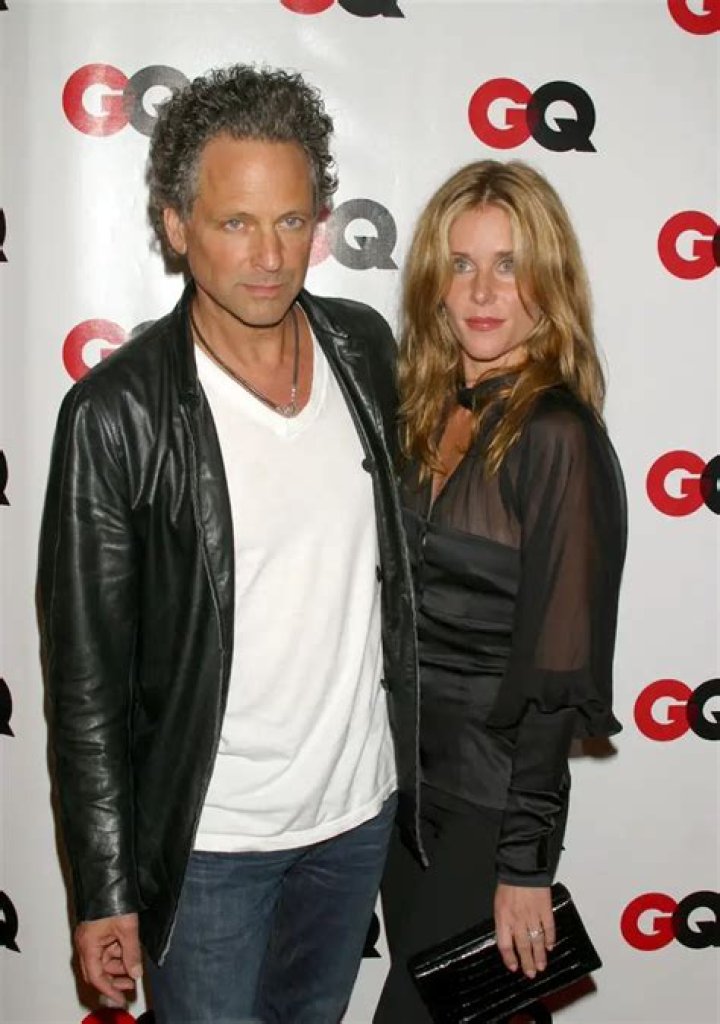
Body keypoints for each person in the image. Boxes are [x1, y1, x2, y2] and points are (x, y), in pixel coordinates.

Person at [38, 64, 422, 1024]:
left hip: (355, 822)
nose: (269, 255)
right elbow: (86, 684)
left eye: (290, 220)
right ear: (176, 226)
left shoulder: (363, 349)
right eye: (235, 222)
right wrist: (103, 888)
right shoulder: (115, 415)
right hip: (211, 846)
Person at [373, 159, 627, 1022]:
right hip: (402, 800)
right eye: (462, 263)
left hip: (488, 811)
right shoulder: (424, 411)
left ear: (548, 281)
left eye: (509, 264)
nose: (483, 291)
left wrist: (524, 865)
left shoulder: (556, 435)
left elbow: (557, 673)